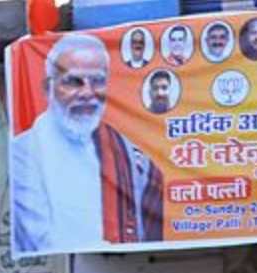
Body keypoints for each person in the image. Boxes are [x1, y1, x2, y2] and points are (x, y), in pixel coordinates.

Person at [11, 33, 165, 254]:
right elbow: (41, 242)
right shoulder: (24, 153)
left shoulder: (127, 156)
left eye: (98, 81)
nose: (87, 93)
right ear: (47, 89)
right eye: (73, 82)